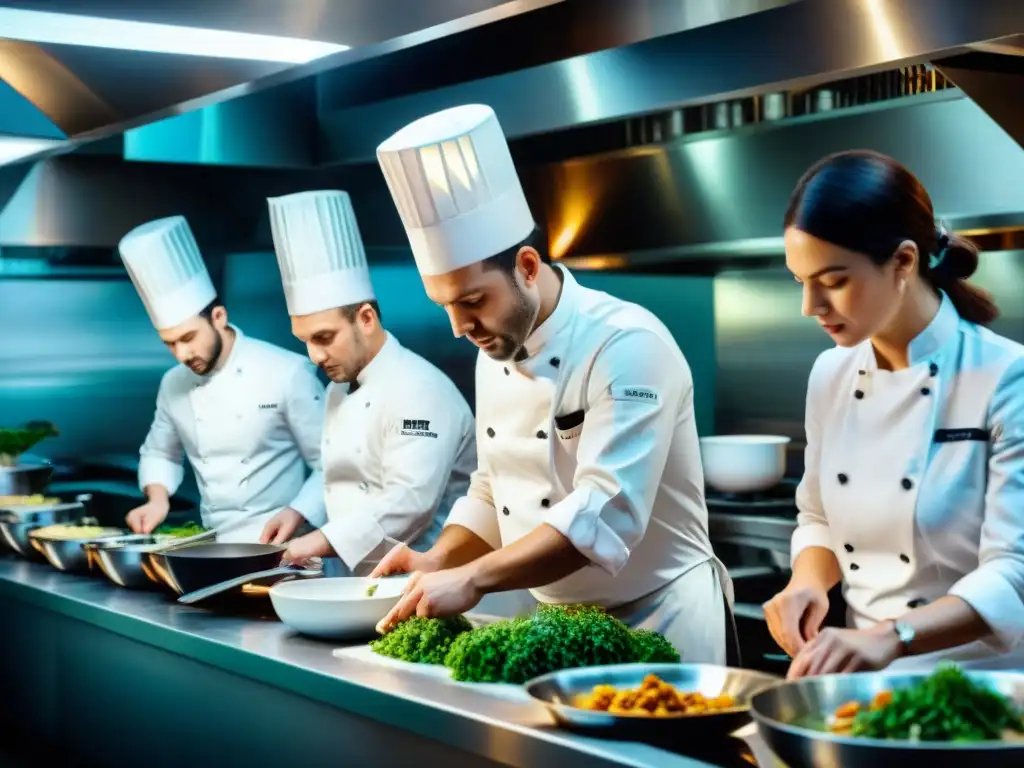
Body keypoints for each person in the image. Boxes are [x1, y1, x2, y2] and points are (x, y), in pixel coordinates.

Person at [370, 104, 735, 663]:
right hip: (558, 629)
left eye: (472, 301)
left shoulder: (628, 344)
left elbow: (601, 513)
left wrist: (474, 578)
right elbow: (494, 487)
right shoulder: (494, 341)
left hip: (662, 618)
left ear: (528, 265)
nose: (460, 327)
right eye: (445, 306)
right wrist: (439, 559)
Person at [762, 150, 1024, 678]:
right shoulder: (830, 374)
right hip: (866, 685)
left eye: (832, 280)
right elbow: (816, 518)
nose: (809, 306)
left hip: (986, 695)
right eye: (800, 281)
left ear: (904, 261)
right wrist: (807, 582)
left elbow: (1014, 574)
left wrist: (894, 635)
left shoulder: (1007, 377)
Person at [259, 190, 477, 577]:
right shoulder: (340, 386)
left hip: (423, 585)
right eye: (304, 341)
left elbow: (408, 503)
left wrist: (319, 541)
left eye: (324, 338)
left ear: (366, 319)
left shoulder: (420, 390)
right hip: (355, 581)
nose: (314, 356)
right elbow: (338, 473)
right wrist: (299, 512)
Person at [118, 215, 326, 543]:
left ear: (219, 317)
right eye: (169, 343)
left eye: (188, 338)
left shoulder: (288, 373)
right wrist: (157, 499)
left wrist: (299, 511)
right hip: (212, 545)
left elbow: (333, 464)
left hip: (284, 547)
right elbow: (160, 452)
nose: (182, 354)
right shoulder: (174, 383)